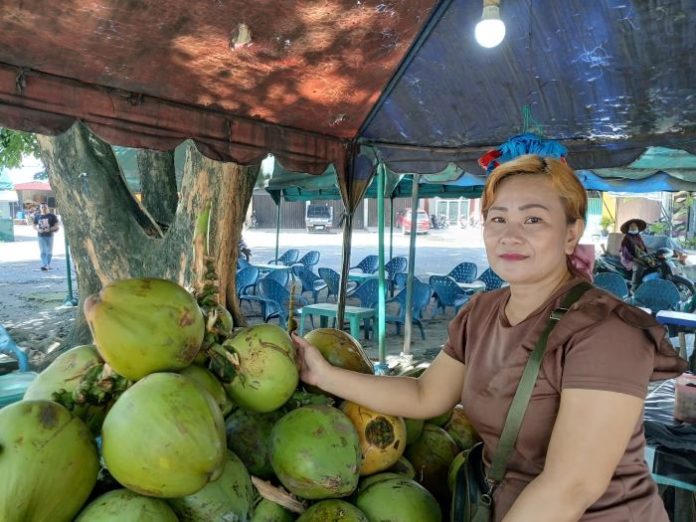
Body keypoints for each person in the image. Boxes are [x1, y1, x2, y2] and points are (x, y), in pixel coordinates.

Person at [292, 154, 687, 521]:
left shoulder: (607, 332)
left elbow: (571, 486)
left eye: (533, 220)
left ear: (572, 233)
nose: (510, 236)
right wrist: (323, 375)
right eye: (498, 219)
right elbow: (426, 396)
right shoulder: (480, 313)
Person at [619, 218, 652, 290]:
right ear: (629, 228)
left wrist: (649, 256)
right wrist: (635, 259)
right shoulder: (626, 238)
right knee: (638, 267)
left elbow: (644, 249)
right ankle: (634, 288)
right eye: (631, 226)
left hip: (639, 257)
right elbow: (625, 252)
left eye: (635, 226)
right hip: (627, 258)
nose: (633, 227)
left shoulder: (638, 237)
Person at [33, 203, 59, 271]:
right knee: (43, 251)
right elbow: (34, 225)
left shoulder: (52, 216)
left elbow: (56, 226)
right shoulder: (37, 216)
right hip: (41, 236)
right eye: (42, 207)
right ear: (40, 208)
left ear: (47, 208)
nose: (43, 208)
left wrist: (50, 229)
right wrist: (38, 229)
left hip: (50, 236)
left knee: (49, 252)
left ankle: (48, 264)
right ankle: (45, 265)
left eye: (45, 207)